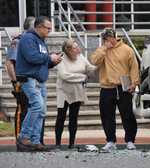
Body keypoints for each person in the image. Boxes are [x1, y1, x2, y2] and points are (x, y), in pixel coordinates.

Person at [15, 16, 62, 151]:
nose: (49, 31)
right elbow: (32, 57)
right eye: (48, 28)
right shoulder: (27, 38)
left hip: (39, 81)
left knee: (41, 111)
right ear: (39, 27)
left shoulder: (41, 41)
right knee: (37, 105)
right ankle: (24, 137)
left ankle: (35, 141)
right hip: (29, 79)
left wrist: (52, 62)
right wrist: (49, 57)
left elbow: (42, 62)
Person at [90, 28, 139, 152]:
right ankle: (110, 140)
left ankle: (130, 140)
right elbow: (94, 61)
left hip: (124, 86)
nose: (107, 40)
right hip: (106, 87)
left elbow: (133, 67)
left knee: (127, 114)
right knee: (106, 115)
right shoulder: (102, 50)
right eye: (105, 38)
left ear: (115, 37)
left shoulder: (127, 49)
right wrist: (104, 48)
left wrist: (135, 83)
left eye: (109, 37)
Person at [5, 16, 45, 149]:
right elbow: (10, 63)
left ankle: (35, 140)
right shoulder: (19, 41)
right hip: (22, 81)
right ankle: (21, 141)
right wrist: (15, 81)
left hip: (35, 80)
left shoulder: (36, 41)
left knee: (37, 109)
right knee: (23, 110)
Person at [55, 39, 96, 149]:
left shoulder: (81, 57)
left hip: (77, 91)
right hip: (63, 91)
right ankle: (58, 143)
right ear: (68, 50)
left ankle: (71, 143)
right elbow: (64, 76)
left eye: (78, 47)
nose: (78, 49)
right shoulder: (61, 58)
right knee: (61, 117)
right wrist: (82, 77)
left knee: (74, 117)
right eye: (75, 47)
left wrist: (99, 67)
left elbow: (89, 69)